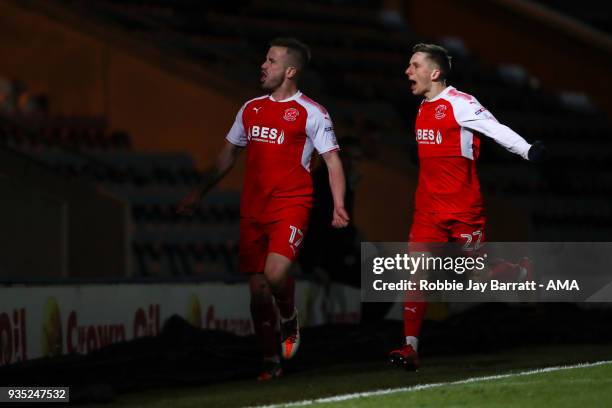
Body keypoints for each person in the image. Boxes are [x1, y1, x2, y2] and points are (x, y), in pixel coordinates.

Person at [177, 38, 349, 380]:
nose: (263, 65)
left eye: (270, 60)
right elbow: (227, 155)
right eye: (264, 59)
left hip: (291, 204)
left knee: (274, 276)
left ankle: (288, 316)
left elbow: (332, 160)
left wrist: (339, 204)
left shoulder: (312, 112)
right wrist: (199, 192)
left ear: (290, 70)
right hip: (253, 209)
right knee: (257, 296)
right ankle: (270, 361)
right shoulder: (250, 109)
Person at [389, 43, 546, 370]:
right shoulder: (422, 107)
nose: (408, 71)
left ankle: (519, 271)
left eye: (414, 65)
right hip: (428, 209)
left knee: (479, 275)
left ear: (435, 73)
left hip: (463, 209)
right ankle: (410, 348)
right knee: (416, 274)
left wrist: (528, 150)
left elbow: (495, 128)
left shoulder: (460, 104)